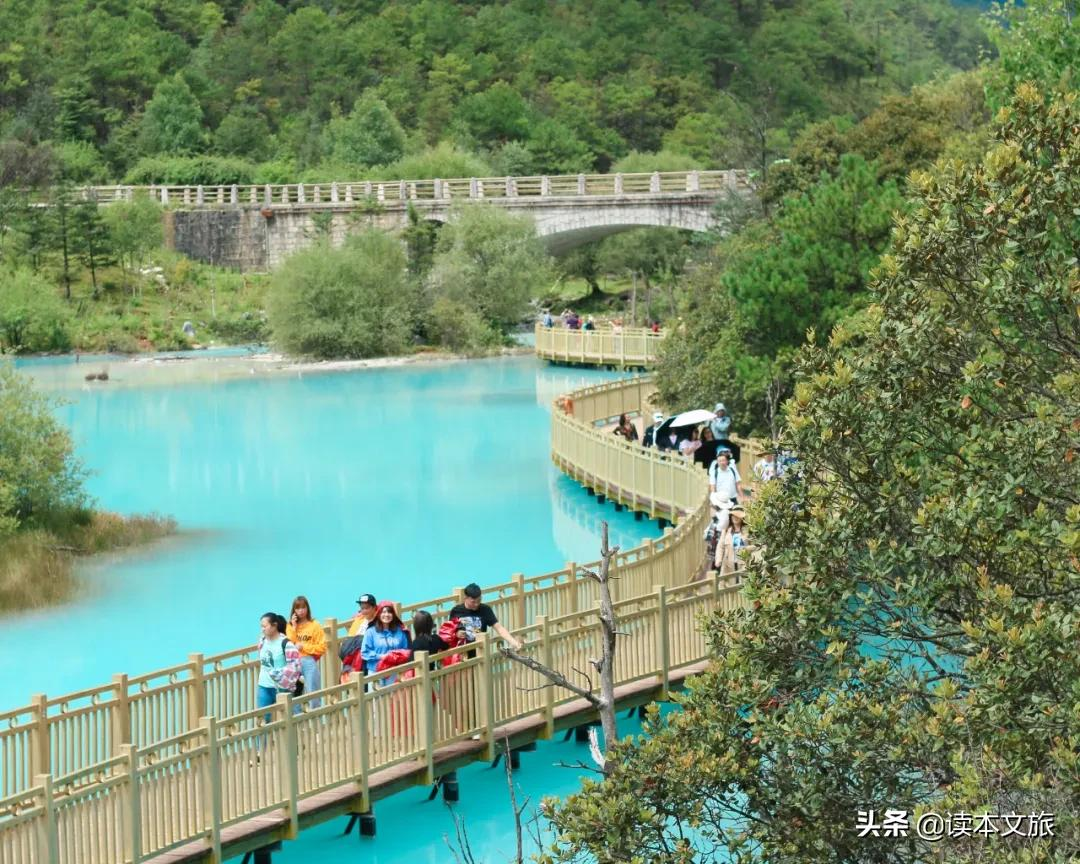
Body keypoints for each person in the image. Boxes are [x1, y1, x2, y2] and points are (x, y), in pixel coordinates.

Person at [449, 583, 522, 650]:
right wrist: (457, 634)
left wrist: (513, 642)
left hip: (480, 650)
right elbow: (449, 632)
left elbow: (499, 628)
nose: (476, 604)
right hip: (462, 652)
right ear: (465, 598)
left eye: (479, 600)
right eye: (473, 602)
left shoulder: (485, 610)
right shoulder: (456, 611)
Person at [257, 612, 302, 716]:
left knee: (289, 717)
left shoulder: (286, 644)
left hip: (282, 687)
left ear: (274, 625)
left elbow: (295, 666)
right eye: (261, 627)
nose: (262, 629)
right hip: (264, 685)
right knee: (263, 719)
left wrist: (279, 674)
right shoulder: (262, 641)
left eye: (265, 626)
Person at [286, 596, 325, 708]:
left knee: (313, 690)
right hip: (293, 662)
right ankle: (297, 720)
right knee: (293, 693)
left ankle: (316, 718)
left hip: (308, 660)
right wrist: (294, 627)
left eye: (303, 608)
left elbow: (322, 647)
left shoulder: (315, 625)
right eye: (297, 608)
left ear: (307, 608)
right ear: (294, 610)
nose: (301, 611)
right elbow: (289, 644)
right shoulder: (289, 626)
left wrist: (303, 646)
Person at [360, 601, 412, 676]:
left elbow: (406, 651)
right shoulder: (370, 632)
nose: (386, 615)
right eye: (383, 612)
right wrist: (381, 656)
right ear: (378, 614)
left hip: (395, 672)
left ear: (393, 614)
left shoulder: (400, 632)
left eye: (389, 612)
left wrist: (395, 656)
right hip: (375, 672)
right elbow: (365, 653)